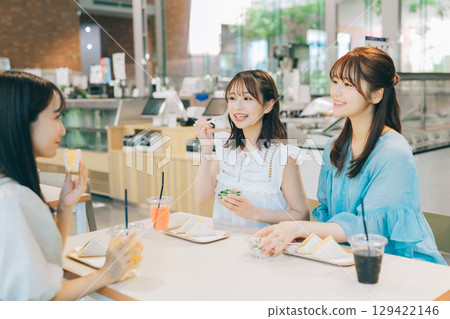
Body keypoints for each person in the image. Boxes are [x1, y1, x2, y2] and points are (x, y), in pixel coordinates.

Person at [256, 47, 446, 265]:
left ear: (376, 94)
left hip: (398, 265)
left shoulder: (394, 151)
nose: (335, 92)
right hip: (347, 260)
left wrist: (299, 227)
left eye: (348, 85)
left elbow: (370, 229)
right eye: (335, 82)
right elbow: (327, 212)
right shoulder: (334, 147)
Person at [0, 71, 144, 300]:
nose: (63, 129)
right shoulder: (12, 200)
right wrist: (107, 273)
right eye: (56, 117)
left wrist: (65, 209)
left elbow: (46, 262)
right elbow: (41, 302)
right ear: (21, 119)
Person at [194, 70, 309, 228]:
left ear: (268, 106)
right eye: (233, 98)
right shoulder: (226, 149)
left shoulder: (281, 157)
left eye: (247, 98)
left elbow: (302, 216)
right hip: (223, 248)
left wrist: (255, 212)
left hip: (263, 249)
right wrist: (206, 150)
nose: (237, 107)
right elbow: (201, 198)